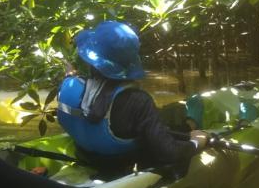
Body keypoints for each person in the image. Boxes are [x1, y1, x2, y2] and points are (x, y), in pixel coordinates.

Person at [57, 20, 208, 174]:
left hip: (85, 155)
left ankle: (188, 124)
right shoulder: (138, 101)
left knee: (165, 115)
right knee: (171, 124)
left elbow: (76, 85)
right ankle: (191, 126)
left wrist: (70, 75)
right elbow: (169, 152)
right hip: (122, 162)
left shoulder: (67, 85)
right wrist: (197, 142)